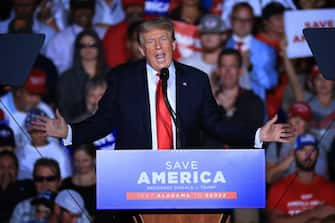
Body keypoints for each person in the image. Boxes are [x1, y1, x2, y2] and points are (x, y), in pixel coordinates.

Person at [33, 17, 293, 150]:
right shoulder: (121, 79)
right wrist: (70, 132)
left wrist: (257, 135)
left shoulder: (196, 80)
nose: (158, 47)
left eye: (164, 40)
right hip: (137, 180)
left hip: (182, 181)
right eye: (150, 41)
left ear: (174, 45)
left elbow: (216, 125)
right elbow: (103, 122)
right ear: (140, 49)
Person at [267, 133, 335, 223]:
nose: (308, 154)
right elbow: (275, 220)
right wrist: (313, 213)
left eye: (312, 150)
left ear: (318, 154)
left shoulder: (330, 188)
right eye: (303, 150)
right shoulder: (279, 188)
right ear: (294, 154)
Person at [207, 48, 264, 148]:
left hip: (242, 160)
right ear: (218, 70)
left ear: (240, 70)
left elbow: (253, 137)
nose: (228, 71)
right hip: (212, 160)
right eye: (224, 66)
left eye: (232, 66)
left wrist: (225, 113)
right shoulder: (208, 101)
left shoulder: (253, 102)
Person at [225, 2, 278, 102]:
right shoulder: (222, 46)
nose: (242, 24)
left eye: (247, 20)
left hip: (255, 109)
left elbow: (271, 83)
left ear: (253, 22)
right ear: (231, 20)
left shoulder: (266, 50)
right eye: (238, 19)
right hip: (225, 108)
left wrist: (251, 68)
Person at [57, 29, 108, 123]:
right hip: (77, 127)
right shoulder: (67, 78)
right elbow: (63, 110)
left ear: (99, 47)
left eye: (92, 45)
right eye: (83, 46)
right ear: (77, 49)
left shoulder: (111, 74)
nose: (88, 49)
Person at [17, 108, 72, 180]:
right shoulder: (20, 153)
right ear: (28, 131)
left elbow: (65, 178)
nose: (38, 134)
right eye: (34, 130)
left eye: (42, 130)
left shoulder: (60, 152)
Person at [10, 158, 62, 223]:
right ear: (34, 182)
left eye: (50, 179)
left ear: (59, 182)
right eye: (39, 179)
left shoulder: (69, 208)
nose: (44, 184)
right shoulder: (21, 208)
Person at [61, 144, 96, 220]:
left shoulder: (105, 185)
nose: (81, 165)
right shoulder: (65, 185)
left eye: (85, 160)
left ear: (94, 159)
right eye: (77, 160)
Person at [0, 151, 35, 222]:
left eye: (10, 167)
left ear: (17, 170)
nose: (6, 171)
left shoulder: (28, 186)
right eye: (1, 167)